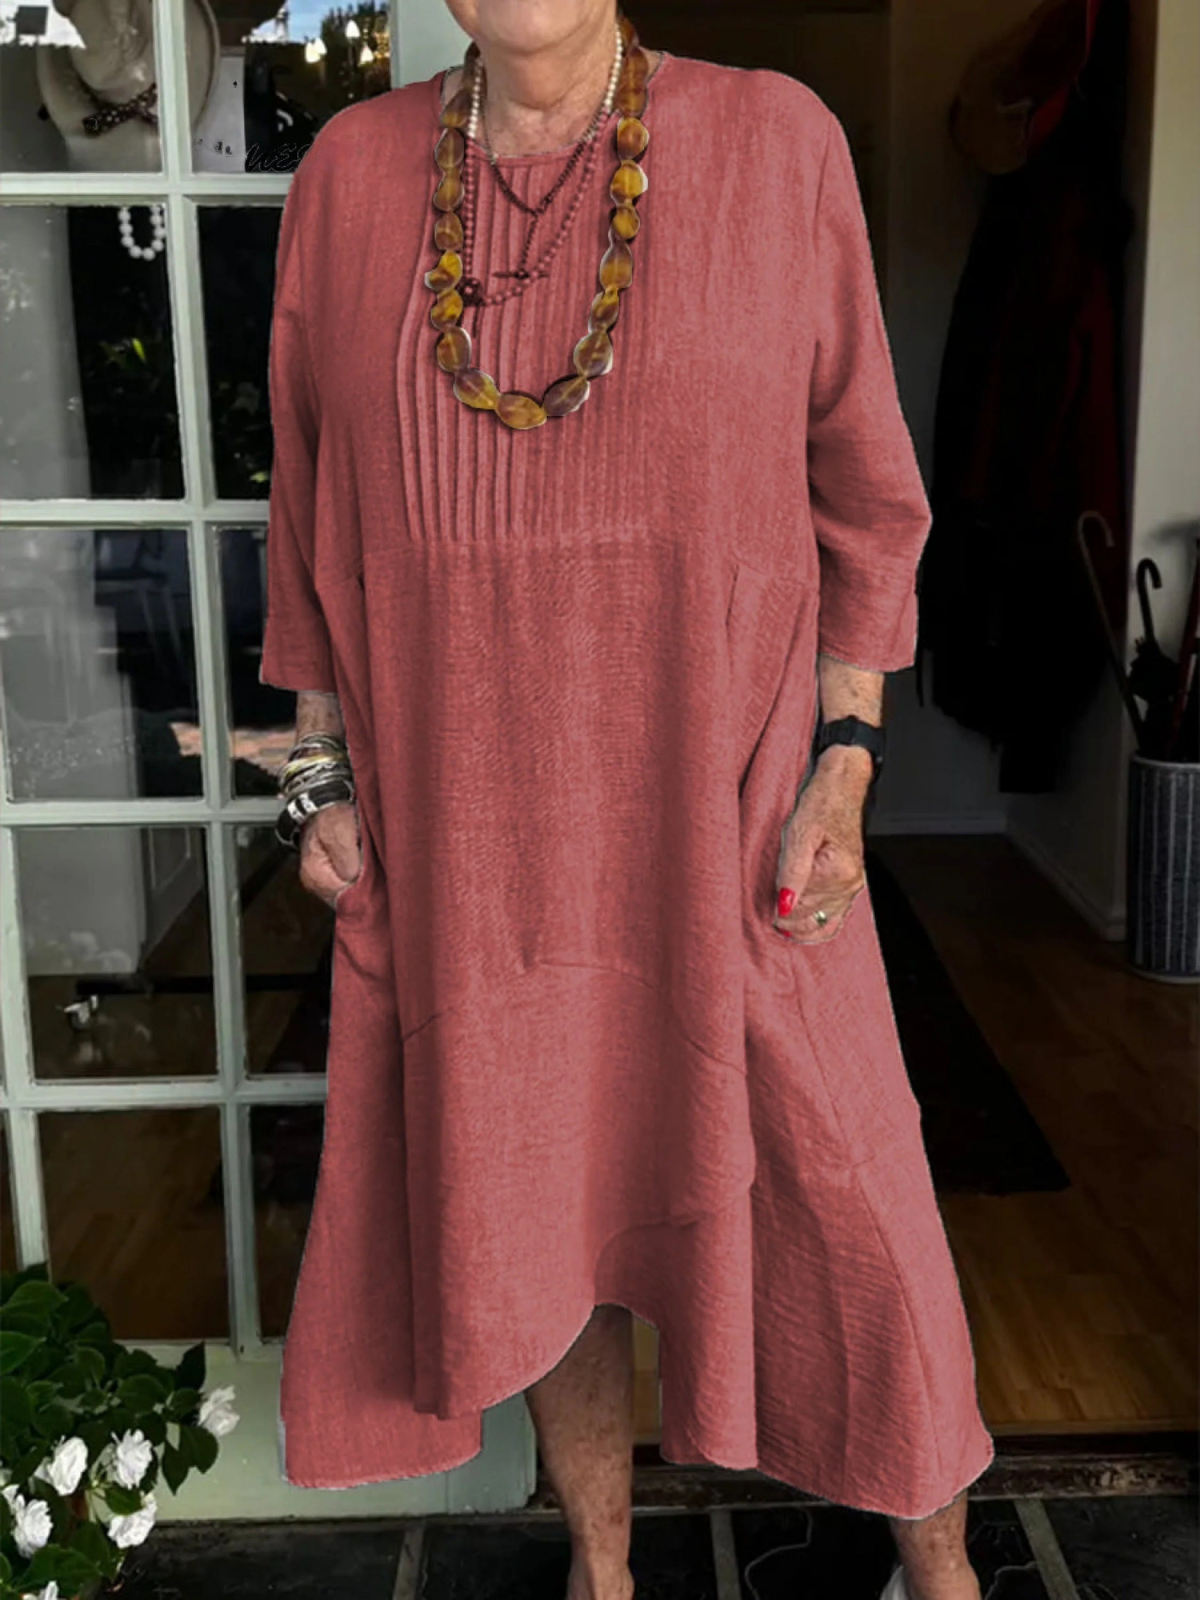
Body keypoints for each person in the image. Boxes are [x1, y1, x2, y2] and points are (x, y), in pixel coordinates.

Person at [260, 4, 995, 1598]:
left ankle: (940, 1563)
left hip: (729, 823)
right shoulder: (353, 177)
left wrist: (847, 756)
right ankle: (603, 1571)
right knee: (538, 1214)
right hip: (472, 836)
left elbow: (868, 491)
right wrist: (319, 770)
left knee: (852, 1194)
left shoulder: (775, 143)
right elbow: (308, 503)